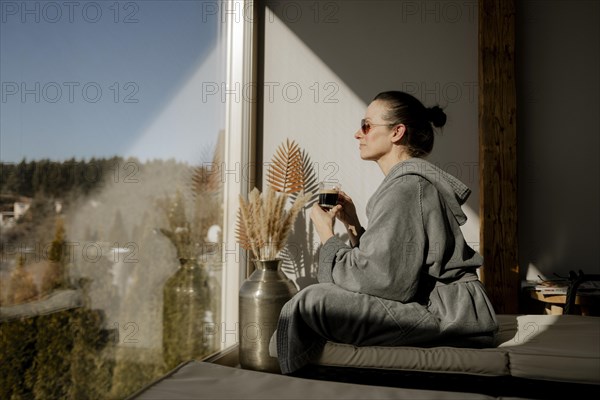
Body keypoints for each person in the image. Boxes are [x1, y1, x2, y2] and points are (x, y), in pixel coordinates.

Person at [272, 91, 498, 375]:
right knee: (308, 302)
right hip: (444, 308)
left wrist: (326, 234)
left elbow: (385, 282)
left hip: (449, 316)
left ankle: (292, 385)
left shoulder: (405, 188)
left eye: (366, 125)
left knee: (309, 302)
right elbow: (400, 266)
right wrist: (353, 227)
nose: (358, 134)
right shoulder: (407, 184)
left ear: (397, 132)